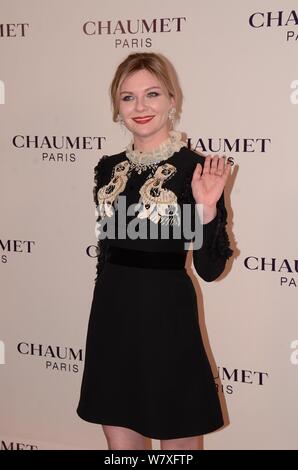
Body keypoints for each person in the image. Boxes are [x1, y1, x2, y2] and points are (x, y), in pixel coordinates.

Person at [76, 52, 233, 450]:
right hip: (112, 322)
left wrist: (208, 210)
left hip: (167, 322)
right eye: (128, 97)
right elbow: (106, 252)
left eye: (152, 94)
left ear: (172, 100)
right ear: (117, 107)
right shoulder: (107, 169)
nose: (141, 106)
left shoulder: (195, 169)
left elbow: (210, 269)